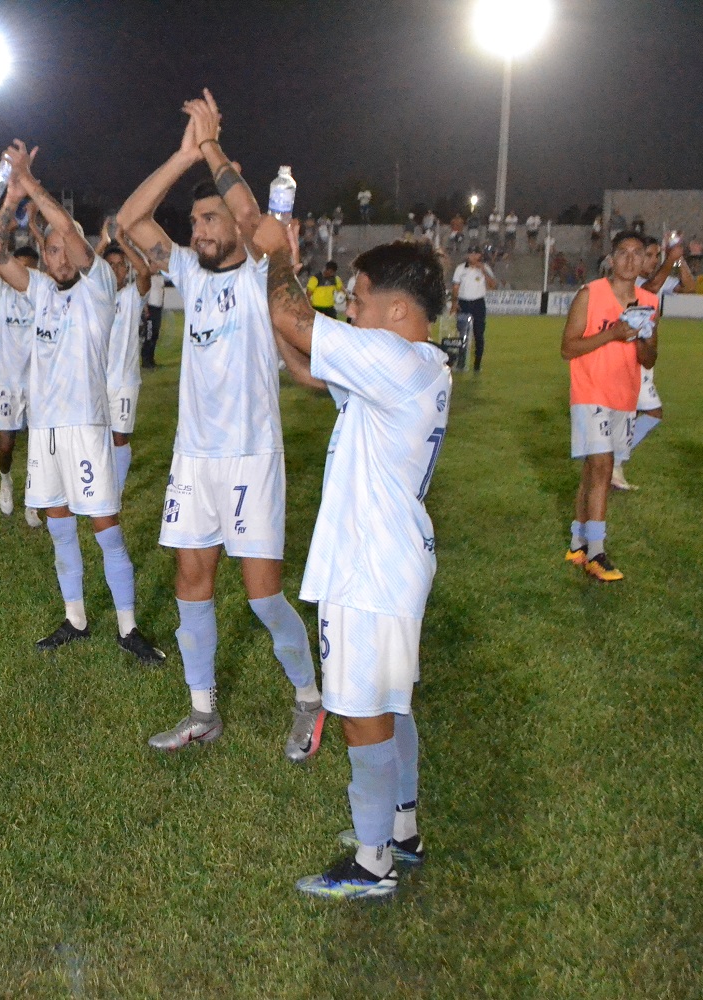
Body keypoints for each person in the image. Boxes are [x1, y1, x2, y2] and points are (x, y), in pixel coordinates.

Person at [118, 90, 323, 759]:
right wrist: (185, 156)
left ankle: (308, 698)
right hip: (193, 459)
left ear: (238, 226)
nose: (198, 230)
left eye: (210, 219)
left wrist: (212, 147)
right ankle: (202, 710)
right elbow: (131, 219)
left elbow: (255, 216)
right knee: (191, 582)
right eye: (194, 221)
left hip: (251, 457)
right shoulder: (186, 270)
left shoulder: (263, 271)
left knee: (263, 599)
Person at [258, 215, 453, 900]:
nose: (349, 308)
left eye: (359, 298)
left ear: (398, 311)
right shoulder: (414, 368)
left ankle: (372, 864)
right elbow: (306, 363)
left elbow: (295, 317)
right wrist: (281, 313)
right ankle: (402, 829)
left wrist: (275, 257)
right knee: (392, 705)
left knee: (363, 715)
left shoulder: (394, 360)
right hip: (393, 561)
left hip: (369, 568)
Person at [0, 139, 164, 664]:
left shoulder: (98, 287)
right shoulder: (39, 291)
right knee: (60, 528)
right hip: (45, 431)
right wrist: (10, 200)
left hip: (86, 427)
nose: (59, 256)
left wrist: (32, 185)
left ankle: (128, 627)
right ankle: (76, 618)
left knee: (106, 530)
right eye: (51, 249)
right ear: (43, 254)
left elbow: (66, 231)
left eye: (67, 247)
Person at [561, 232, 658, 583]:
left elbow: (650, 359)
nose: (630, 260)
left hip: (624, 395)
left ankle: (578, 543)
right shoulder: (590, 294)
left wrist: (643, 338)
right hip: (590, 391)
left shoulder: (649, 301)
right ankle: (597, 553)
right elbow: (568, 348)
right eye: (623, 253)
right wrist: (612, 334)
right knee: (603, 466)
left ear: (645, 261)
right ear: (612, 259)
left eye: (638, 253)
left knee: (593, 471)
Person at [614, 236, 696, 490]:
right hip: (632, 356)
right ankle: (612, 461)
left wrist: (679, 261)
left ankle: (613, 463)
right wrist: (669, 261)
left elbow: (689, 287)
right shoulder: (634, 282)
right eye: (648, 255)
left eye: (656, 256)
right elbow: (649, 289)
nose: (652, 260)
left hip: (646, 358)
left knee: (636, 414)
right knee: (647, 412)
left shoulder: (658, 279)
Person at [0, 240, 43, 526]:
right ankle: (5, 480)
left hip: (39, 383)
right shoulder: (1, 294)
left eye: (30, 270)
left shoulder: (44, 296)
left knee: (39, 448)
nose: (24, 275)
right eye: (19, 268)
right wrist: (0, 231)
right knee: (6, 444)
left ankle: (34, 498)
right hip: (7, 380)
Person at [96, 225, 152, 494]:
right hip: (96, 381)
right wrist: (102, 244)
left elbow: (145, 273)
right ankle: (96, 485)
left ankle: (114, 494)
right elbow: (81, 271)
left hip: (125, 382)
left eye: (121, 265)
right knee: (95, 438)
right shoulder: (93, 297)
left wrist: (121, 240)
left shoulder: (131, 297)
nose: (116, 270)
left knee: (120, 438)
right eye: (111, 265)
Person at [450, 247, 496, 372]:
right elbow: (455, 287)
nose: (473, 256)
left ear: (480, 255)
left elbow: (493, 285)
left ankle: (477, 364)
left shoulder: (485, 268)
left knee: (479, 334)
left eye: (476, 253)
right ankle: (461, 362)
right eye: (471, 253)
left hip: (478, 304)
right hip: (464, 303)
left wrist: (483, 271)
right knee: (462, 334)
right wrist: (454, 303)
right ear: (467, 255)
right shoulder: (460, 268)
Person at [140, 268, 166, 368]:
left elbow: (162, 292)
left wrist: (162, 304)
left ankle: (151, 359)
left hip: (157, 308)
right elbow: (144, 293)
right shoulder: (148, 278)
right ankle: (145, 360)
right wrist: (145, 309)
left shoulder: (160, 278)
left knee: (155, 335)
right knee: (149, 335)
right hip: (150, 308)